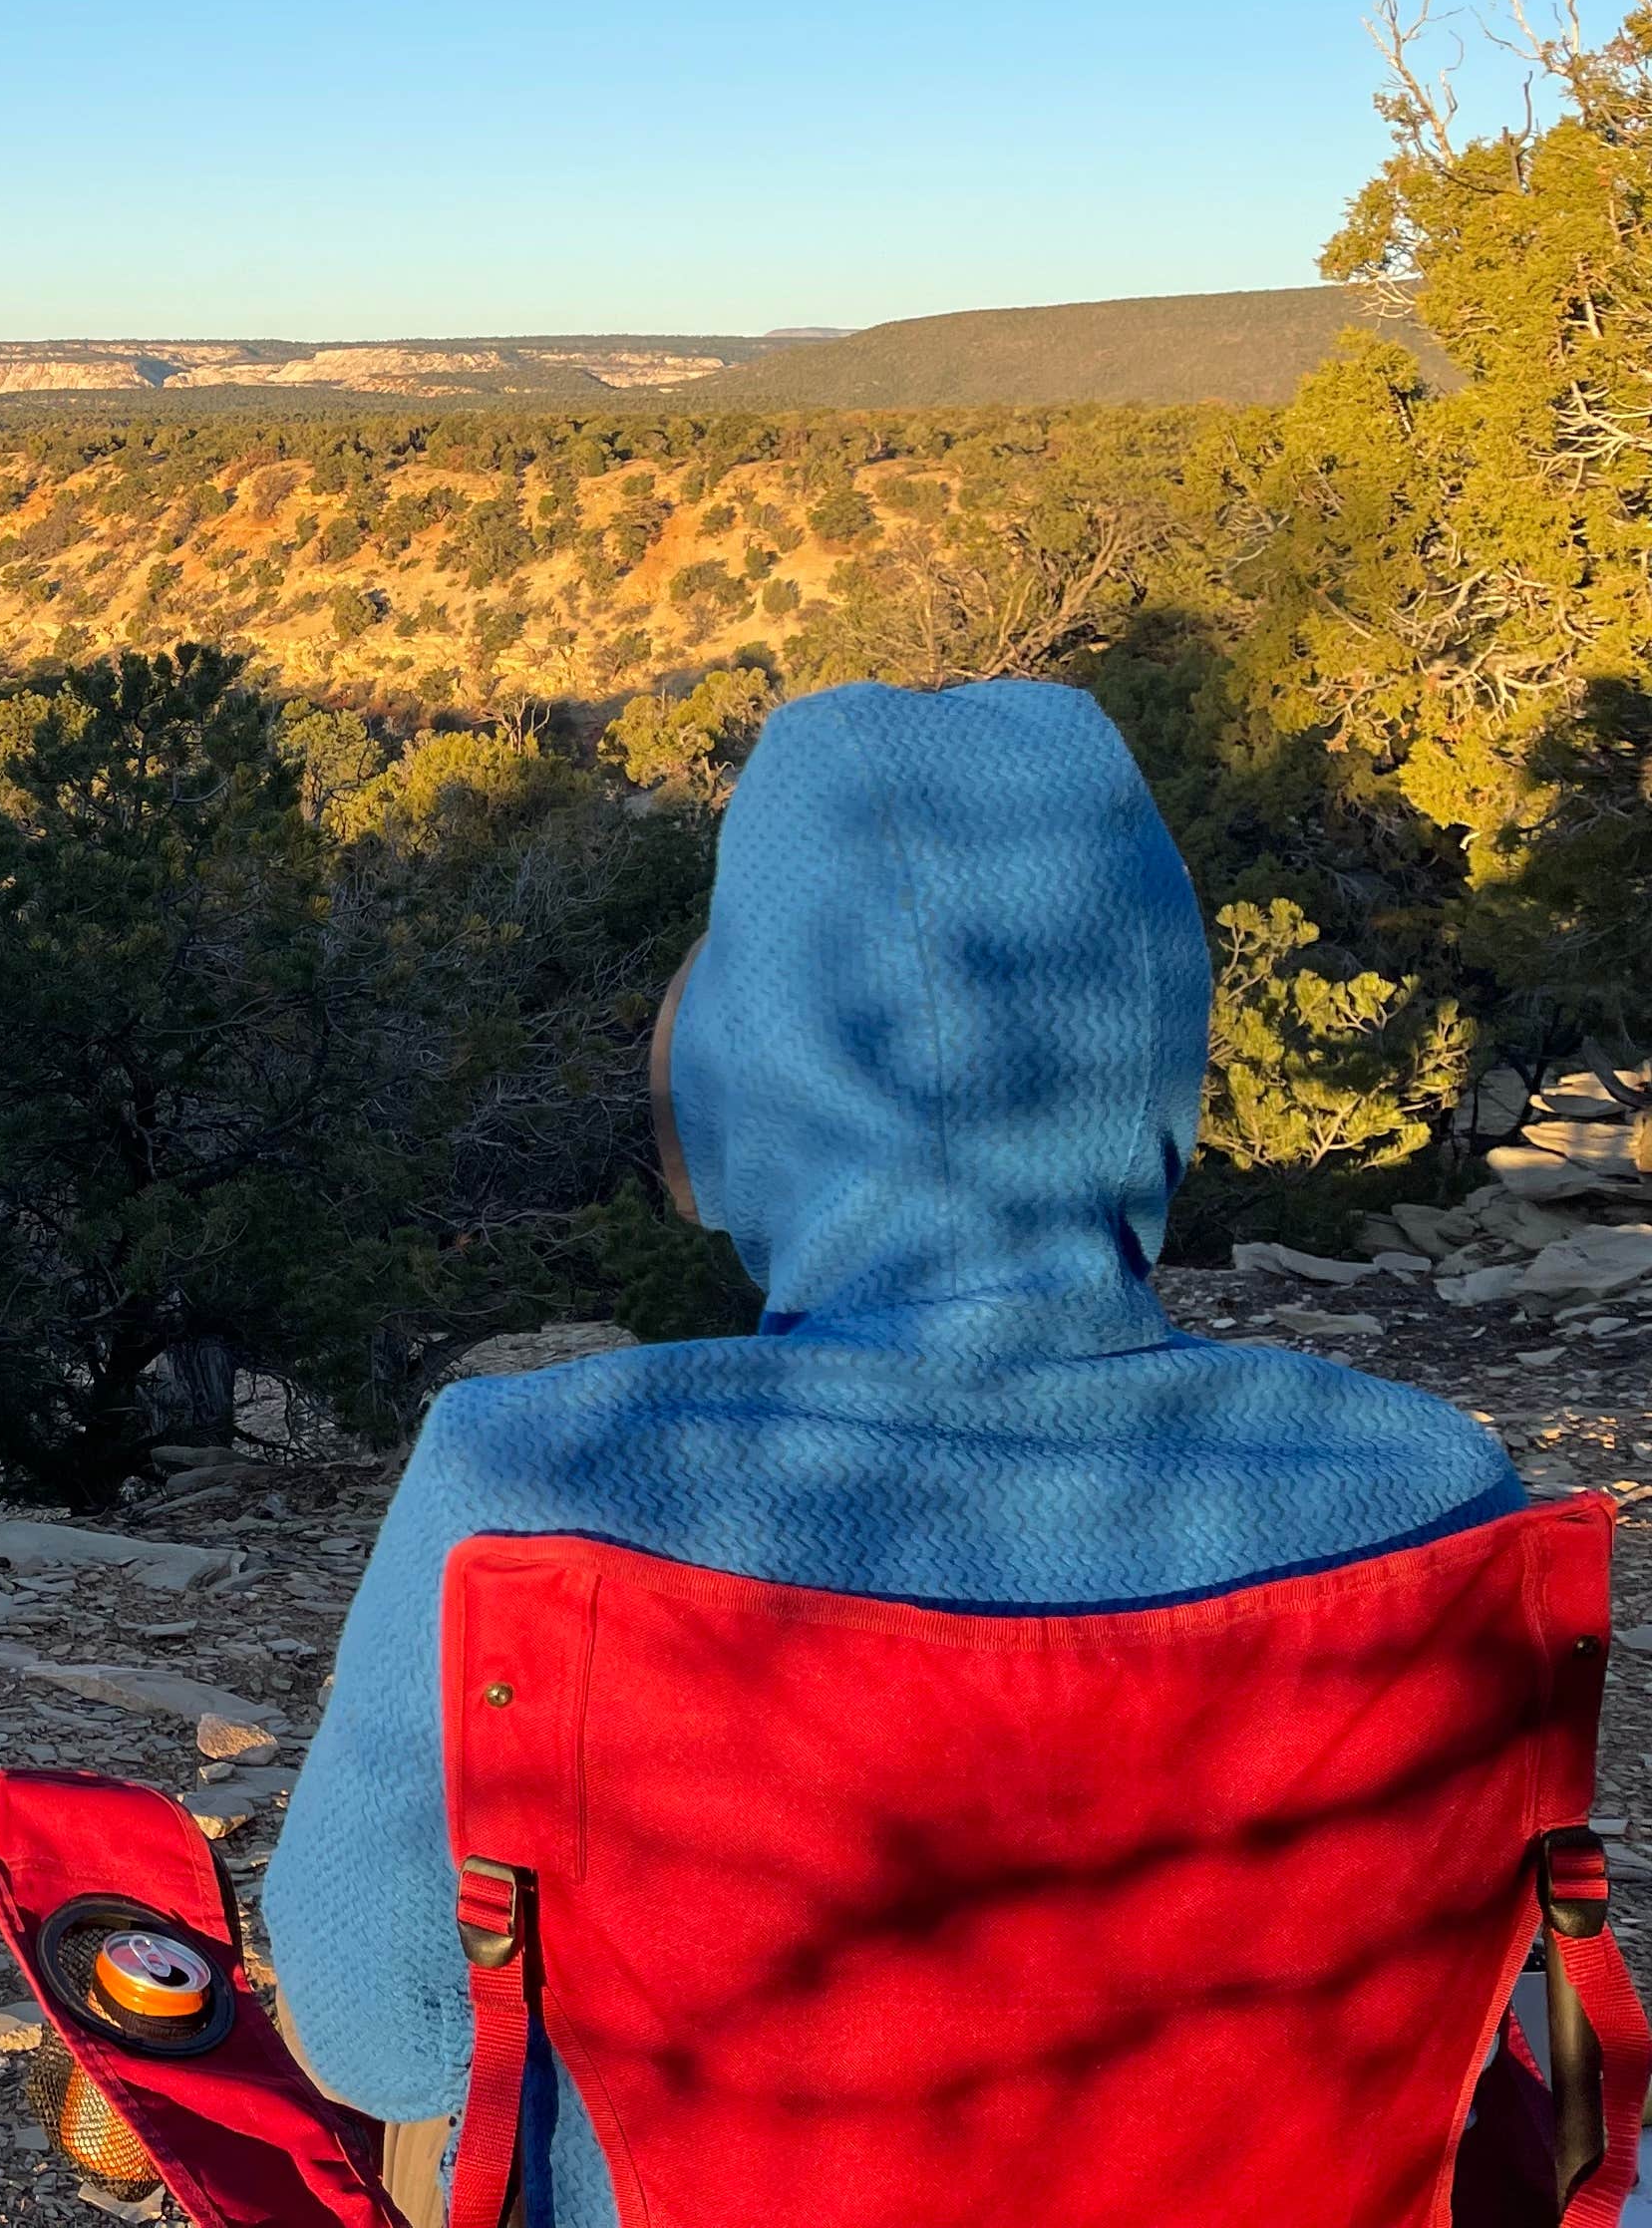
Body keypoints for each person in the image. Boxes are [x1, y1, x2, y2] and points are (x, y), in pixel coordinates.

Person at [259, 678, 1524, 2227]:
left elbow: (383, 2037)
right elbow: (1469, 2033)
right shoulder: (1428, 1489)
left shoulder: (536, 1478)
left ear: (747, 1063)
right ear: (1156, 1038)